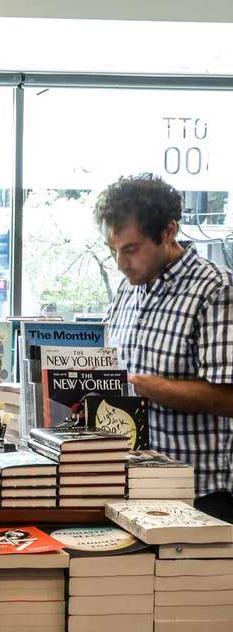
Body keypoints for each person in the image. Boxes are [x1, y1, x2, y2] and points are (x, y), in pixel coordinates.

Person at [97, 174, 233, 520]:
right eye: (113, 251)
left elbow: (228, 398)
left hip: (199, 493)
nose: (120, 263)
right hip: (131, 486)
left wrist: (148, 388)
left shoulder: (215, 290)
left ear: (168, 232)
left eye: (131, 249)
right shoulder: (128, 289)